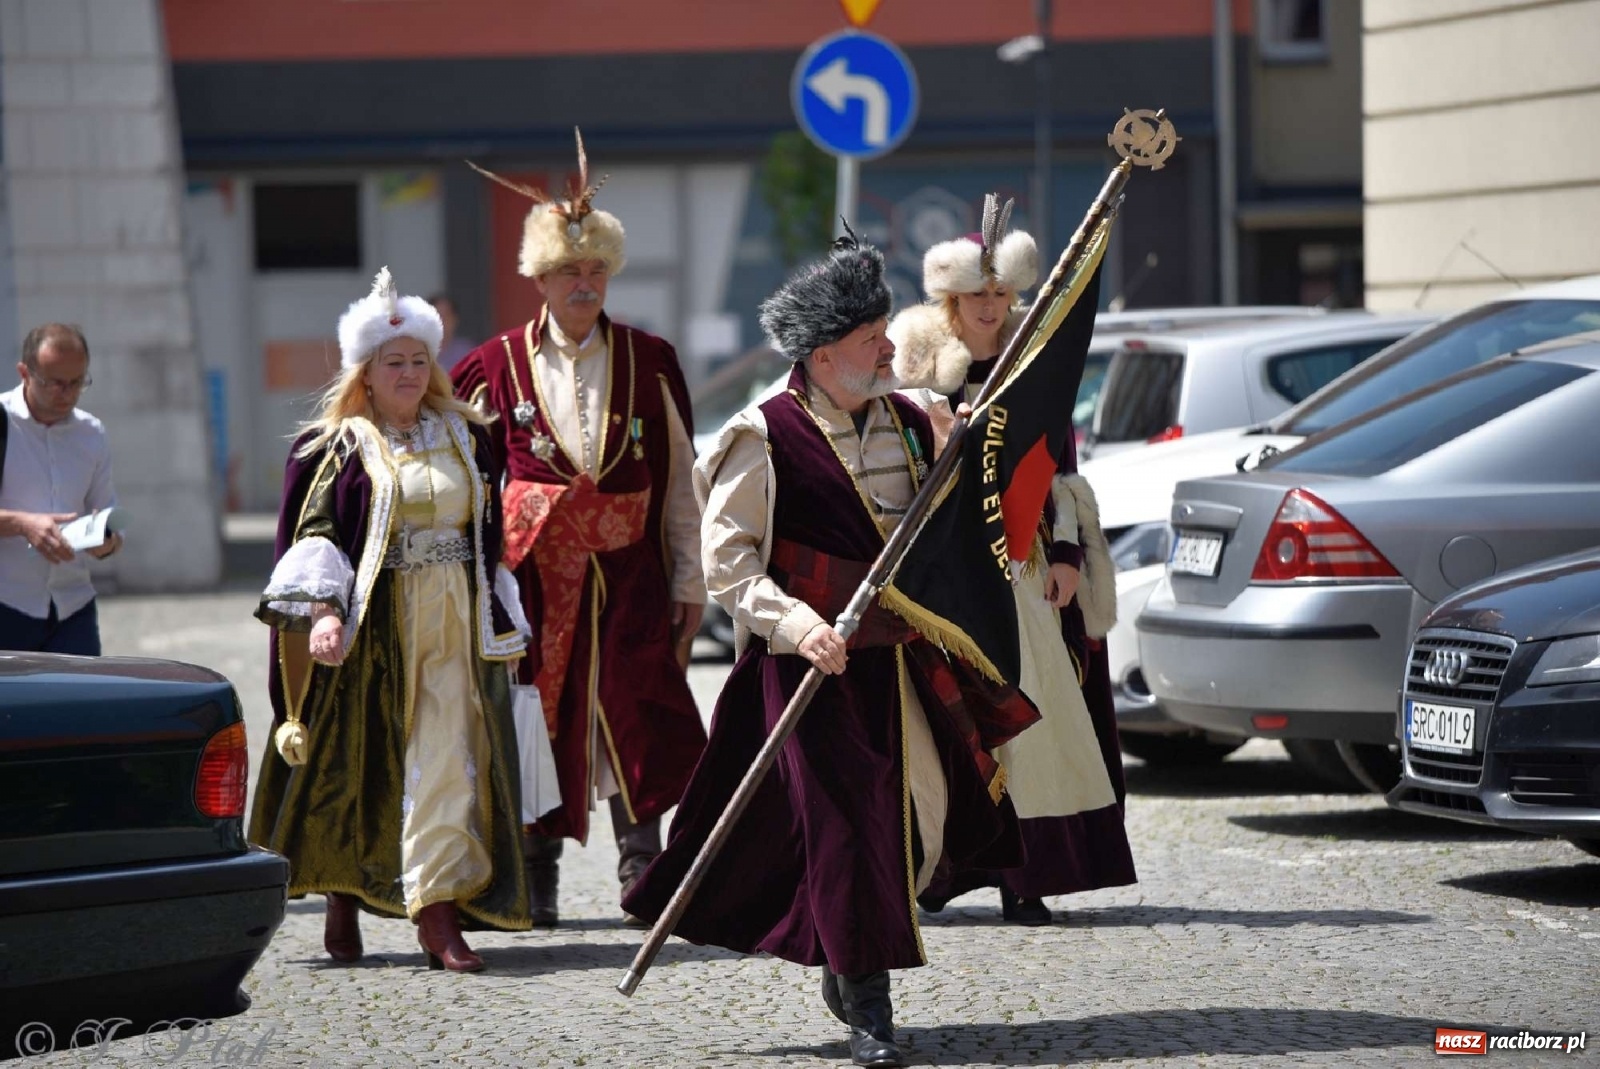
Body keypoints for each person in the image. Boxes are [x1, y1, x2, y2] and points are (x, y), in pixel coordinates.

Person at [623, 230, 1039, 1068]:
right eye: (870, 340)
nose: (890, 348)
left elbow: (944, 530)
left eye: (886, 333)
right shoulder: (761, 435)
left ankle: (849, 966)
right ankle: (869, 1007)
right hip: (810, 670)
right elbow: (728, 564)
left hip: (902, 663)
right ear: (821, 355)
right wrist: (797, 625)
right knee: (851, 831)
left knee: (914, 821)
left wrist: (957, 455)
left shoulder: (910, 419)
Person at [452, 131, 706, 928]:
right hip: (532, 588)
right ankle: (536, 870)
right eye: (570, 270)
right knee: (536, 718)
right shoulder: (491, 367)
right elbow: (466, 486)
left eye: (596, 269)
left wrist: (690, 579)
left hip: (631, 578)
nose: (584, 282)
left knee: (642, 715)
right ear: (540, 277)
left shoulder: (651, 358)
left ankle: (644, 865)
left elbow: (679, 487)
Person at [249, 268, 532, 973]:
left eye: (418, 360)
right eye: (392, 362)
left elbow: (489, 531)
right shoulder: (337, 445)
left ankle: (437, 916)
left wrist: (505, 612)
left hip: (455, 621)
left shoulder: (469, 436)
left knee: (445, 757)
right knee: (357, 766)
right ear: (365, 374)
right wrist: (322, 612)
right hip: (376, 627)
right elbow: (314, 531)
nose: (409, 372)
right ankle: (344, 894)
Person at [886, 200, 1137, 925]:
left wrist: (1066, 554)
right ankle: (942, 862)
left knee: (1030, 723)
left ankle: (1026, 875)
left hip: (1023, 572)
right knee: (953, 724)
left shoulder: (1035, 364)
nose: (990, 307)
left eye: (1000, 294)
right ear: (949, 299)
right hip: (947, 578)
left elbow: (1063, 469)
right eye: (976, 295)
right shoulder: (919, 367)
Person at [0, 324, 120, 655]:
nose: (66, 393)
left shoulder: (91, 433)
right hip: (7, 604)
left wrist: (106, 542)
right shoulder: (2, 421)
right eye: (54, 383)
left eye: (76, 383)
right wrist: (23, 524)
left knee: (82, 706)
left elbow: (105, 513)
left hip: (72, 608)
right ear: (24, 372)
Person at [430, 293, 476, 373]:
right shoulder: (416, 352)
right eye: (437, 315)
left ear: (455, 319)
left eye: (446, 316)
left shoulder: (466, 352)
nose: (442, 321)